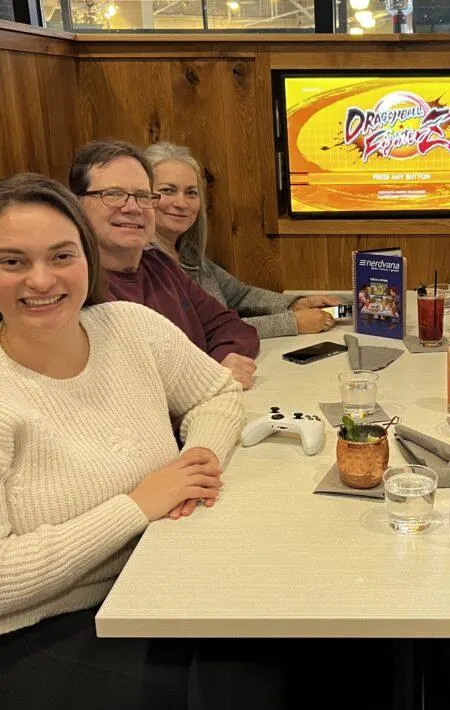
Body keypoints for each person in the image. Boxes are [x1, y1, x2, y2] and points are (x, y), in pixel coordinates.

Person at [0, 173, 268, 708]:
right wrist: (137, 505)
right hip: (52, 625)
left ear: (87, 259)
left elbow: (214, 394)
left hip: (166, 575)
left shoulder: (129, 327)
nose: (41, 279)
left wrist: (199, 461)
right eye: (12, 262)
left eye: (60, 256)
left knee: (333, 654)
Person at [69, 140, 260, 390]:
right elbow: (135, 385)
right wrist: (211, 378)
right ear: (76, 205)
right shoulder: (75, 289)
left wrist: (222, 364)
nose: (132, 207)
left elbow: (233, 328)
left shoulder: (160, 265)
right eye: (113, 194)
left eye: (142, 196)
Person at [143, 142, 340, 337]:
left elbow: (240, 295)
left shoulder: (188, 254)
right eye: (168, 190)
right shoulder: (140, 264)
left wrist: (295, 304)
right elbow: (202, 332)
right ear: (143, 195)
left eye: (191, 193)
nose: (181, 203)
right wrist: (291, 323)